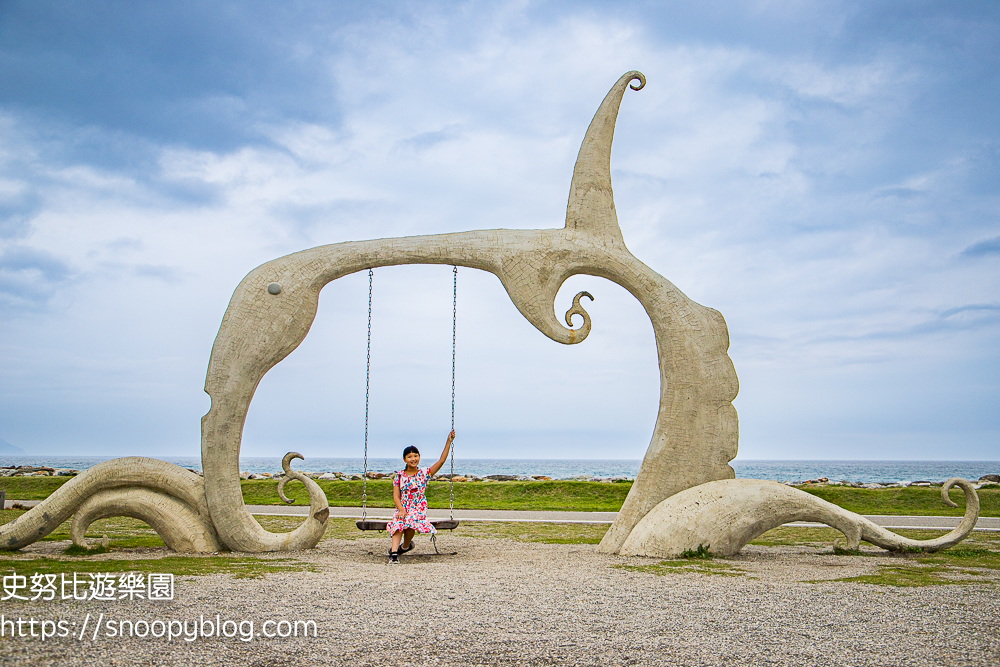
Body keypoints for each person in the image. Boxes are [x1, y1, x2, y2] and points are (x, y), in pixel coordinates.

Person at [386, 429, 455, 564]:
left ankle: (405, 546)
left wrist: (449, 441)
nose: (413, 459)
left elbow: (441, 461)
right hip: (403, 506)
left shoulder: (424, 473)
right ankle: (394, 554)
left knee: (411, 520)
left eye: (416, 456)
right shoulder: (399, 476)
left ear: (419, 457)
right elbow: (396, 496)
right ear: (404, 459)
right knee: (398, 522)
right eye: (410, 457)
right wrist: (401, 510)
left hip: (418, 507)